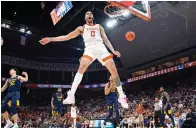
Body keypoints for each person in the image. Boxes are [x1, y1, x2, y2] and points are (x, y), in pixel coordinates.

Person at [39, 11, 128, 108]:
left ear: (93, 17)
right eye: (87, 14)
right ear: (85, 18)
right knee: (82, 66)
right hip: (89, 50)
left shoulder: (99, 26)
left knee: (113, 69)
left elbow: (106, 39)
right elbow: (67, 37)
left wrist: (113, 50)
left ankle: (122, 96)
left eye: (90, 14)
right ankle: (71, 95)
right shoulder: (81, 28)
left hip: (101, 49)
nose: (89, 15)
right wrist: (51, 39)